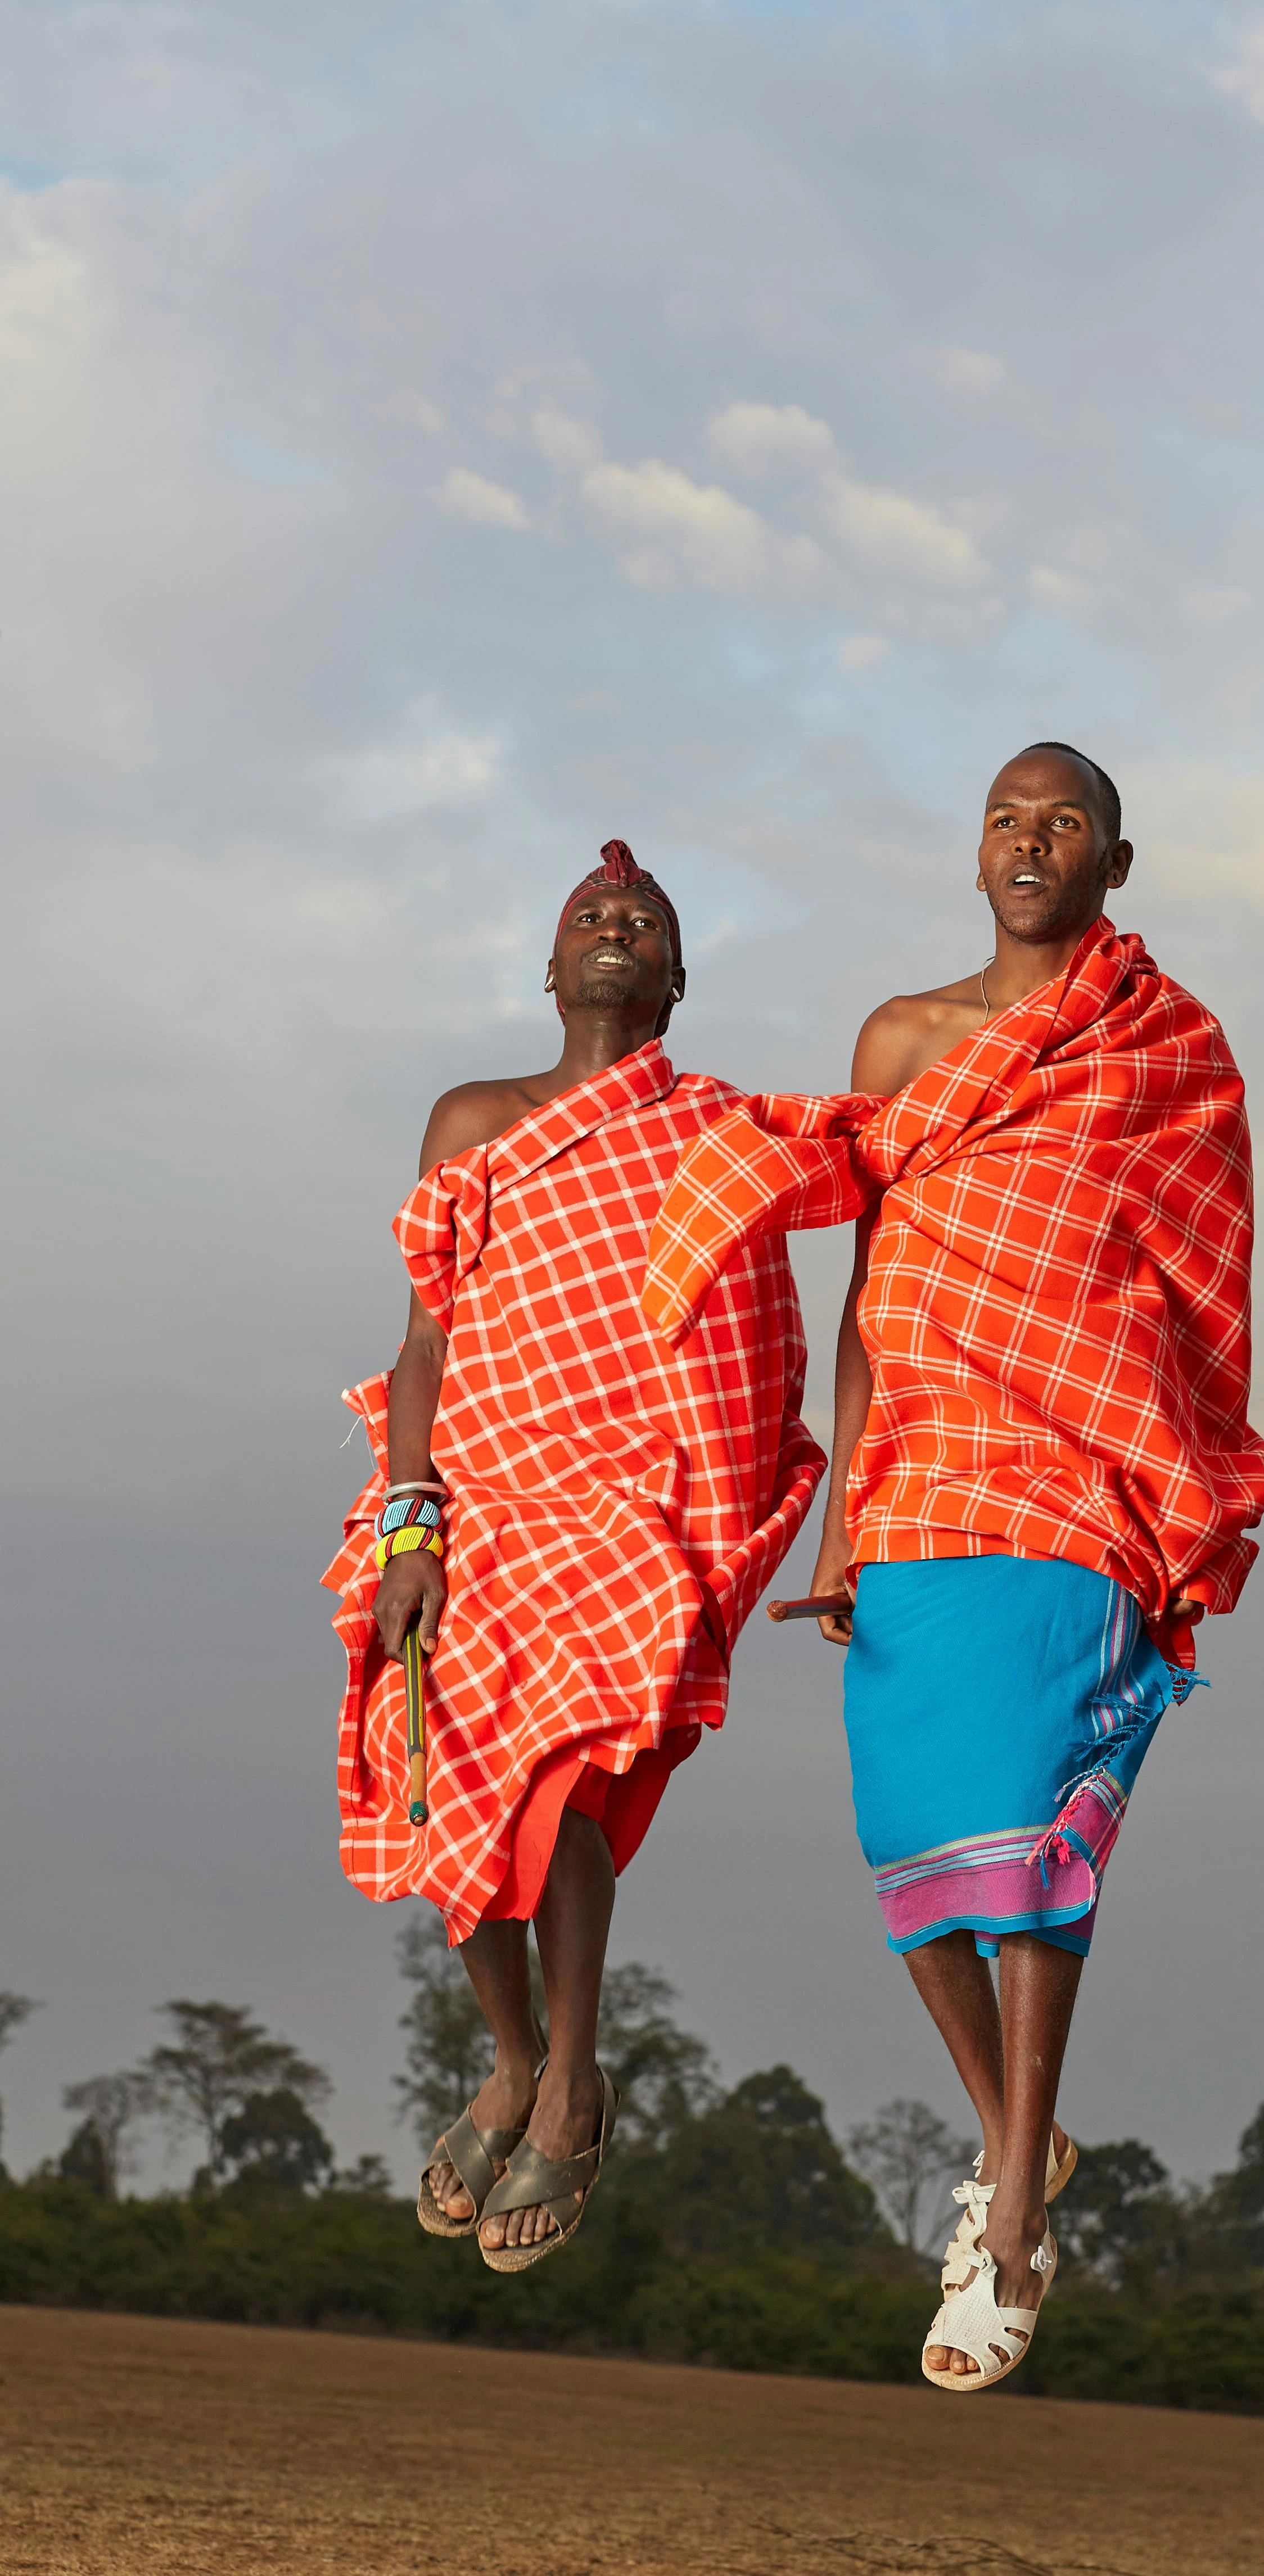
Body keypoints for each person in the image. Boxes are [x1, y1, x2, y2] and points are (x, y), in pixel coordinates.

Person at [643, 746, 1264, 2388]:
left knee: (1026, 1832)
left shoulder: (1167, 1051)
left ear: (1115, 864)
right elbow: (870, 1296)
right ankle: (1028, 2137)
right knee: (911, 1843)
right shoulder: (904, 1040)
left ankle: (1006, 2218)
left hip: (1076, 1473)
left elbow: (1202, 1282)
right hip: (923, 1475)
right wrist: (847, 1504)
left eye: (1064, 822)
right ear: (974, 848)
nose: (1030, 842)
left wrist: (1172, 1478)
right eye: (1007, 817)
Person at [323, 840, 824, 2270]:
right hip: (472, 1502)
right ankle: (511, 2051)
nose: (616, 927)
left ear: (677, 976)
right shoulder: (474, 1116)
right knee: (441, 1786)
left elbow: (861, 1184)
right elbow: (428, 1338)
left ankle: (570, 2081)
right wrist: (411, 1512)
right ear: (551, 970)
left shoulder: (728, 1132)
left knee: (556, 1781)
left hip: (632, 1509)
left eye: (644, 921)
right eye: (591, 917)